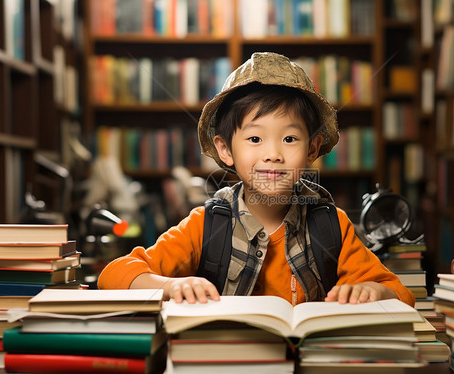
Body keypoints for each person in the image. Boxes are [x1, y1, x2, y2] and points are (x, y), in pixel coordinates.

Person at [98, 52, 415, 307]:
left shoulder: (332, 225)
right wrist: (171, 285)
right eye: (254, 139)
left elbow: (401, 293)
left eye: (290, 139)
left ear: (313, 149)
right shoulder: (207, 224)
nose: (273, 154)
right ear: (225, 149)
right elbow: (113, 275)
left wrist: (374, 292)